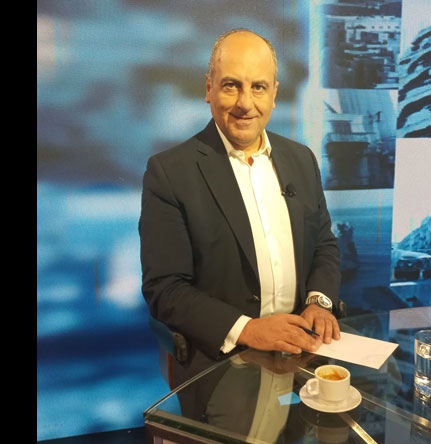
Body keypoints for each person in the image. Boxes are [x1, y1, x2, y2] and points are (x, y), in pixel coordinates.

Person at [140, 28, 341, 386]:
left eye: (258, 87)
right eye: (231, 85)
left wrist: (319, 301)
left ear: (274, 94)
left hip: (303, 360)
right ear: (209, 88)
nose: (245, 103)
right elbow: (165, 289)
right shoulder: (169, 173)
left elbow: (324, 243)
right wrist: (249, 330)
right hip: (220, 369)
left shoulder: (302, 160)